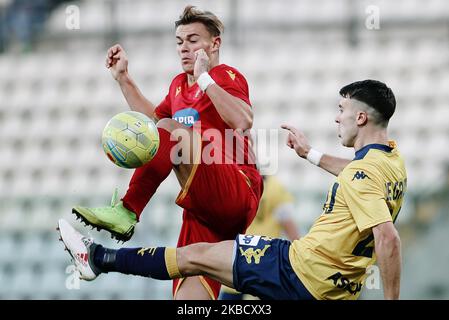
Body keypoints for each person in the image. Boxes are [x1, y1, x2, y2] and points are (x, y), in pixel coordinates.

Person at [60, 80, 406, 300]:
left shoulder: (362, 174)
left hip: (299, 270)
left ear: (360, 118)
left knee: (194, 256)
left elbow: (387, 238)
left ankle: (97, 258)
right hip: (334, 290)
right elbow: (357, 173)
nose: (336, 118)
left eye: (342, 110)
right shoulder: (392, 163)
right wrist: (310, 154)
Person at [71, 6, 263, 300]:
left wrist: (205, 78)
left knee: (170, 128)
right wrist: (123, 78)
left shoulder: (225, 75)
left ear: (215, 44)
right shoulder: (177, 86)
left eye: (193, 40)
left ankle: (127, 210)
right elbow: (154, 129)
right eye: (179, 41)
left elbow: (243, 120)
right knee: (189, 301)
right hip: (204, 210)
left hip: (236, 187)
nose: (184, 48)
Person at [219, 175, 300, 300]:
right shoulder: (276, 188)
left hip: (236, 259)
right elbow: (290, 228)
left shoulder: (235, 185)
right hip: (262, 263)